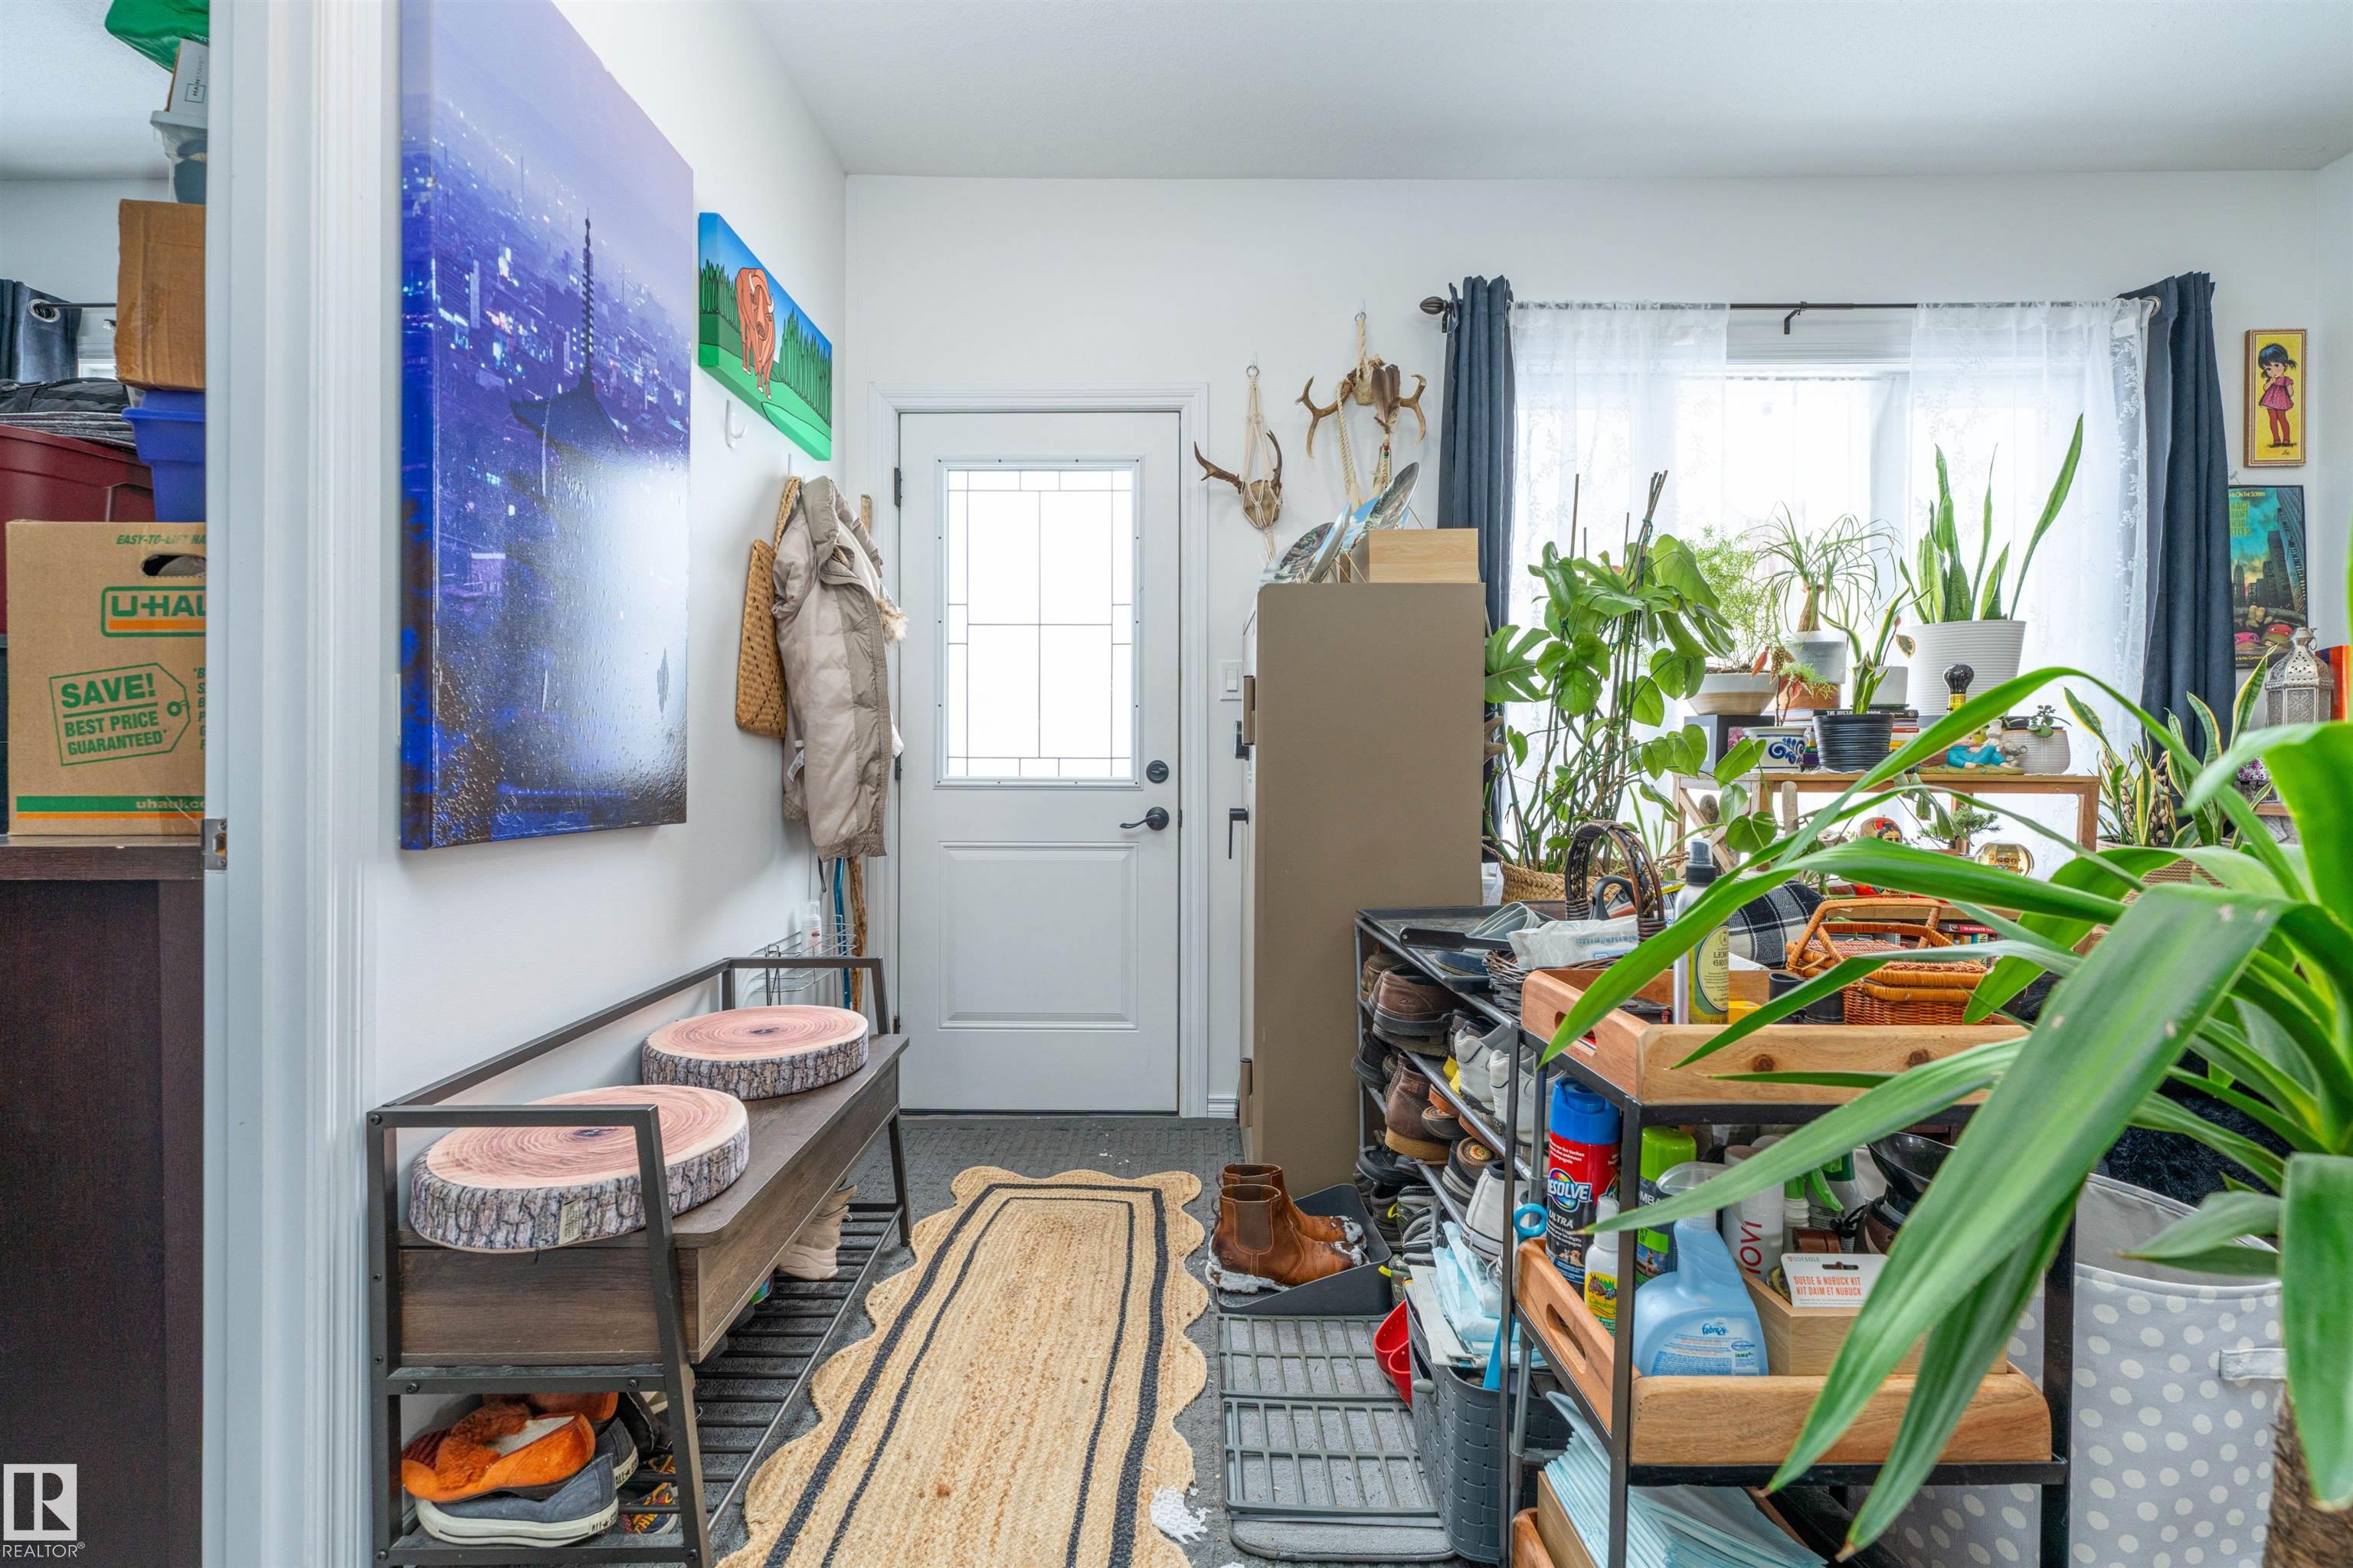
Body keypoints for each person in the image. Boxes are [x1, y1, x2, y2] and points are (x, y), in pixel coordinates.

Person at [2256, 340, 2298, 450]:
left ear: (2285, 365)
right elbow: (2265, 388)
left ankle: (2286, 439)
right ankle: (2276, 439)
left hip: (2281, 402)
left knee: (2282, 418)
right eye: (2268, 369)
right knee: (2273, 419)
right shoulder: (2271, 380)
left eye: (2276, 365)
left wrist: (2288, 386)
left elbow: (2291, 393)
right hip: (2270, 402)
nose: (2273, 371)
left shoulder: (2286, 379)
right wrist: (2270, 382)